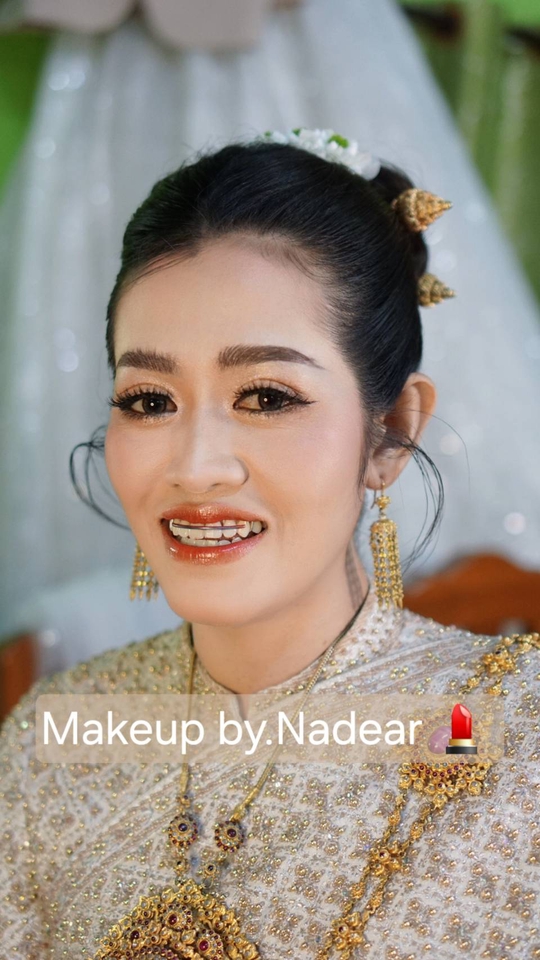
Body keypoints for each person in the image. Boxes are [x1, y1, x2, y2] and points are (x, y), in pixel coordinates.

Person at [0, 129, 538, 960]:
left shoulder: (519, 732)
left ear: (392, 432)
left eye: (266, 396)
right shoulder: (52, 738)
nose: (194, 467)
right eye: (148, 401)